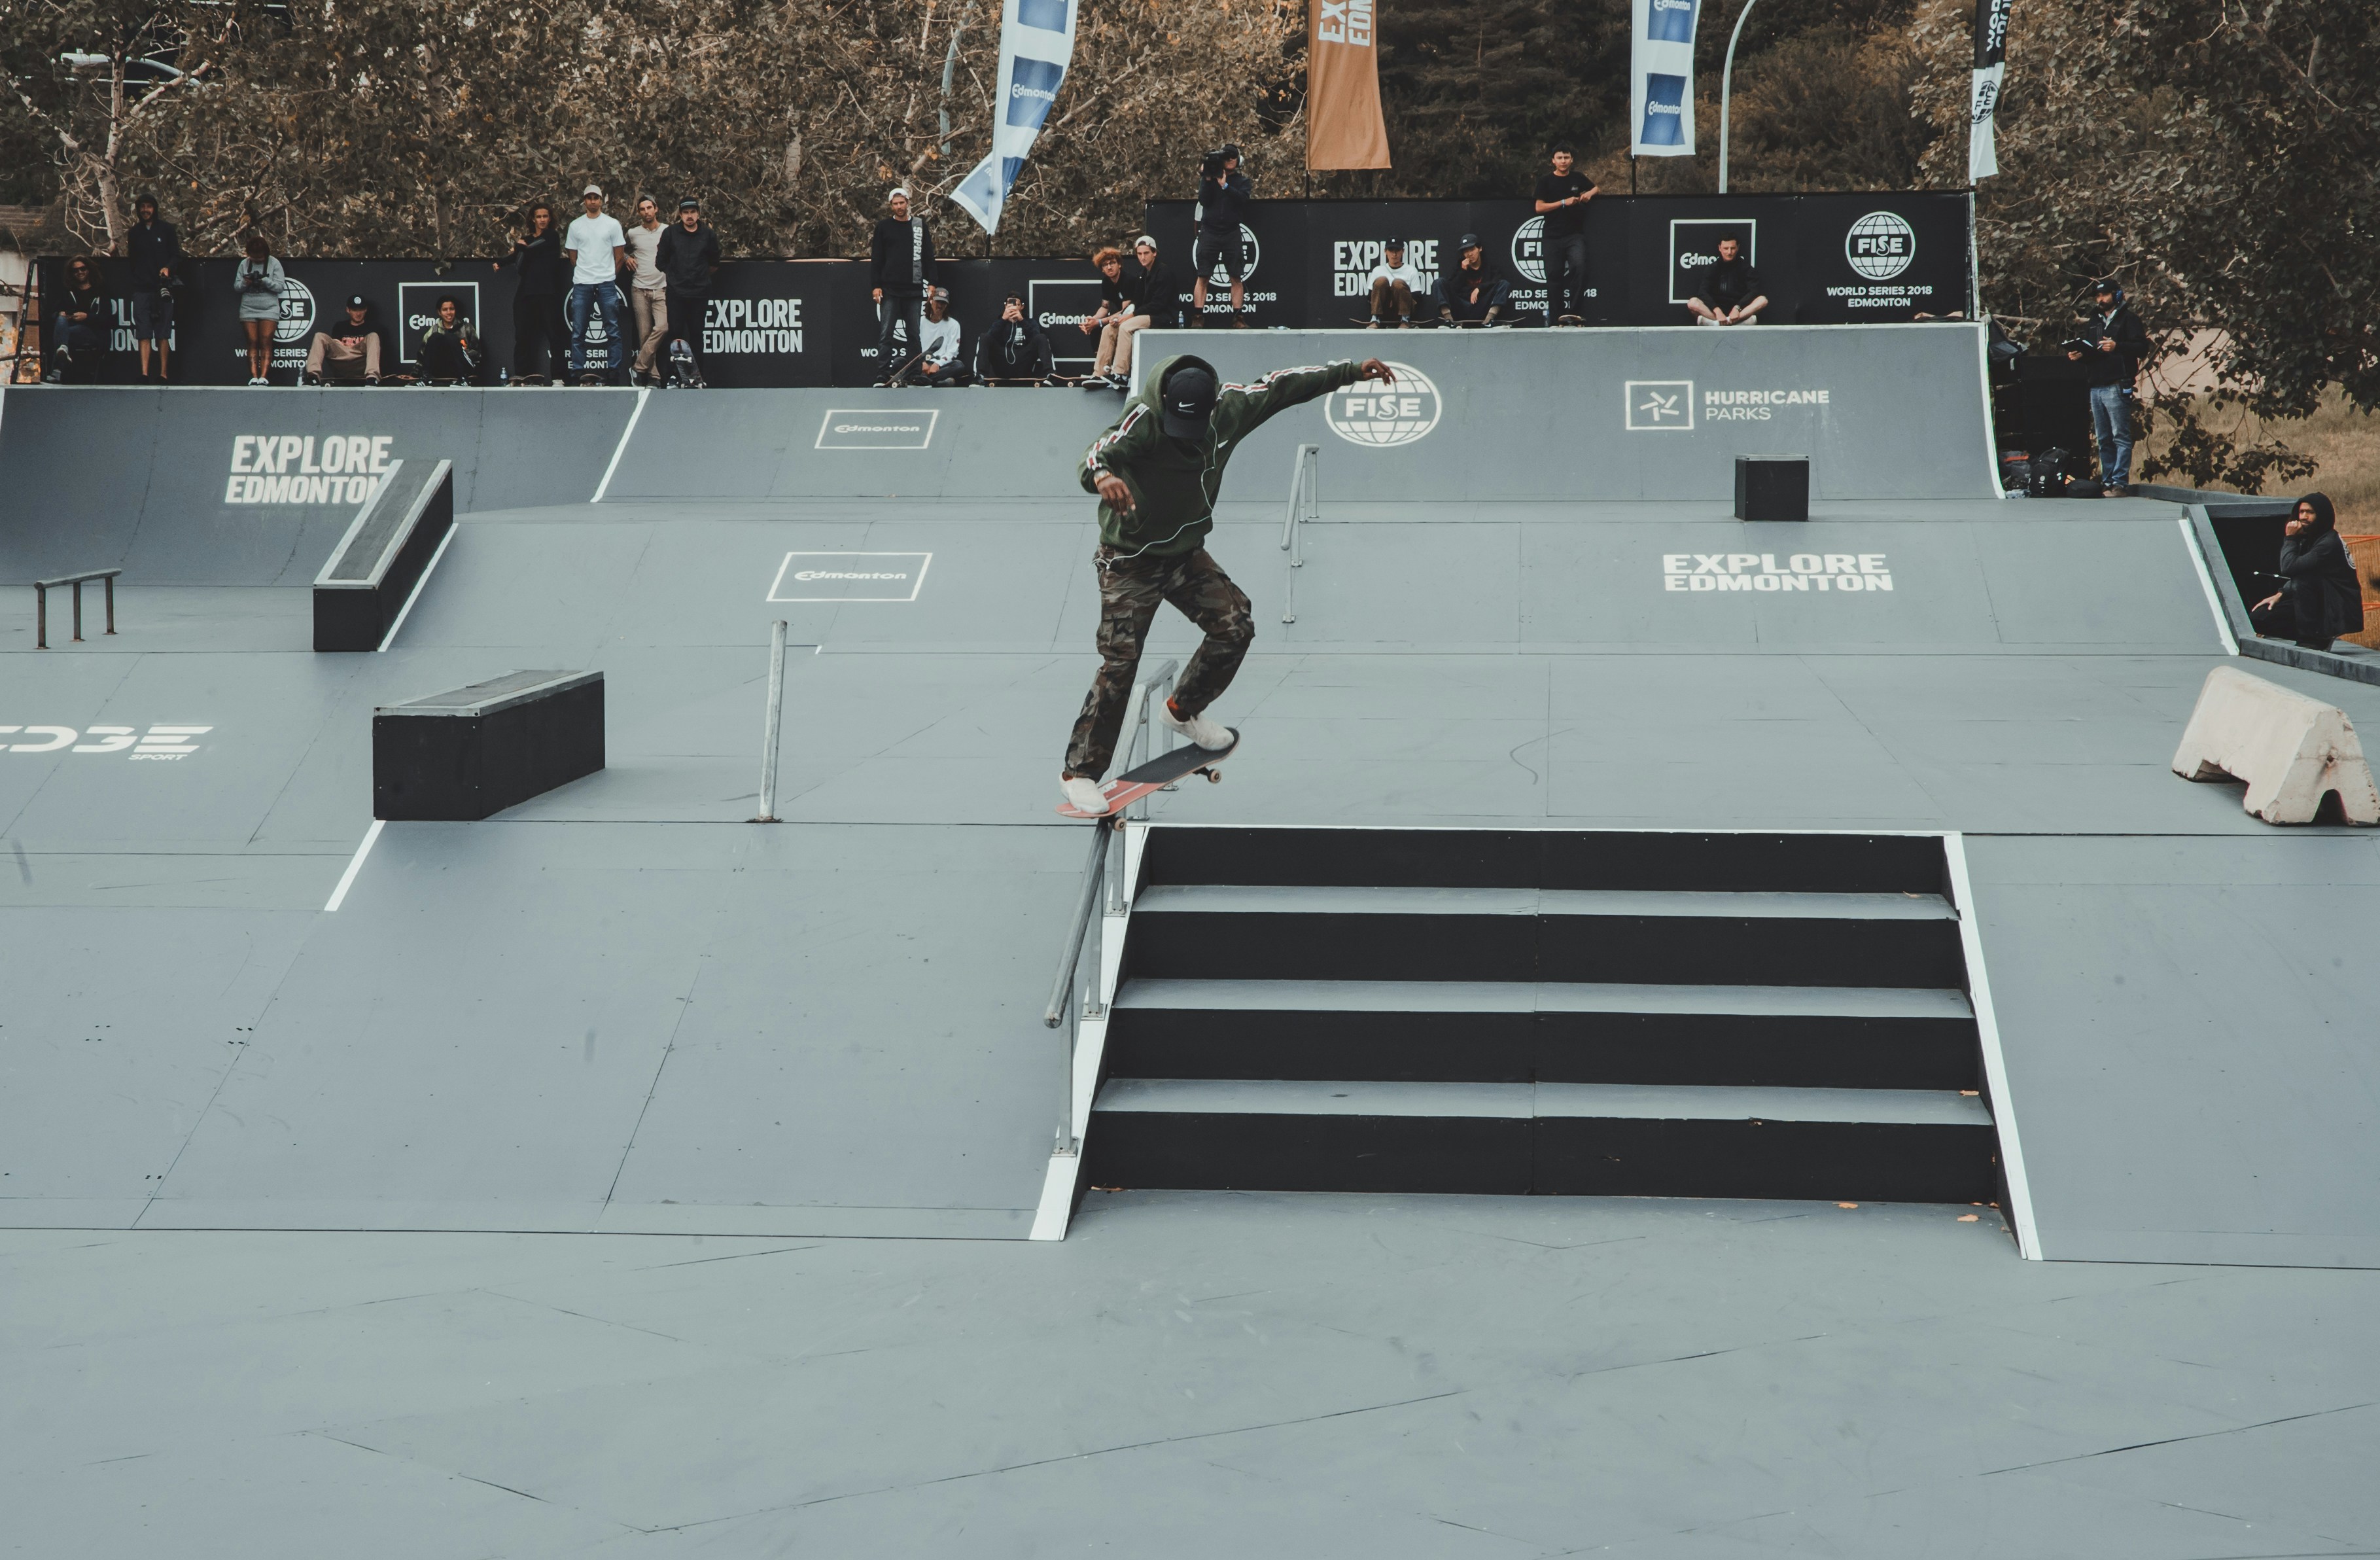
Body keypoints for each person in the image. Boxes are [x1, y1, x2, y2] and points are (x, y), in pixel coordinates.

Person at [1059, 353, 1396, 815]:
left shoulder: (1231, 407)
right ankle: (1079, 774)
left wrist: (1351, 371)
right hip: (1130, 562)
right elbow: (1096, 451)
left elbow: (1284, 385)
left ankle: (1182, 711)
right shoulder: (1142, 417)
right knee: (1120, 665)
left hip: (1184, 554)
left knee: (1235, 624)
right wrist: (1101, 475)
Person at [2066, 277, 2148, 496]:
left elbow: (2142, 347)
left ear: (2117, 295)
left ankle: (2119, 482)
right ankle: (2107, 481)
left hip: (2117, 383)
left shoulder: (2129, 319)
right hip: (2096, 384)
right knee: (2103, 438)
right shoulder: (2095, 320)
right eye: (2098, 297)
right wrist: (2080, 354)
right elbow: (2092, 350)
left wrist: (2118, 346)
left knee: (2120, 435)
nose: (2101, 300)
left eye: (2105, 295)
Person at [2250, 494, 2364, 652]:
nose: (2304, 517)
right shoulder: (2311, 539)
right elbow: (2303, 571)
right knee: (2259, 618)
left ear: (2322, 515)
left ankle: (2314, 639)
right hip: (2318, 600)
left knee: (2301, 582)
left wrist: (2290, 539)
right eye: (2301, 512)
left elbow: (2289, 568)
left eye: (2310, 512)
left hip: (2337, 607)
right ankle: (2314, 635)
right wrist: (2281, 594)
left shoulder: (2329, 543)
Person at [494, 202, 568, 383]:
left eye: (545, 216)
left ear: (550, 219)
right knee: (522, 335)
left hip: (547, 292)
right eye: (539, 217)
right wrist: (501, 262)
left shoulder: (551, 236)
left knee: (554, 335)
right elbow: (518, 258)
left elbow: (532, 248)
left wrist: (520, 247)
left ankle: (558, 377)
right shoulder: (526, 239)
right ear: (533, 219)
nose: (542, 220)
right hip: (526, 293)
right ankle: (521, 374)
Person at [562, 183, 627, 384]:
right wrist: (587, 274)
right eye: (589, 198)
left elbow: (620, 256)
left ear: (601, 201)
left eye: (596, 198)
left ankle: (614, 372)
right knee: (579, 331)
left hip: (606, 284)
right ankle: (579, 372)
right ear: (584, 201)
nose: (593, 201)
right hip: (582, 284)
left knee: (612, 331)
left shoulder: (612, 224)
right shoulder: (576, 226)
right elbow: (573, 257)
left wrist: (607, 276)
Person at [871, 186, 936, 385]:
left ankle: (915, 373)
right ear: (891, 205)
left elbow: (928, 256)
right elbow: (877, 259)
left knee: (914, 334)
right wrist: (876, 286)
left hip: (914, 289)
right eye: (895, 204)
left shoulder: (919, 226)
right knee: (886, 334)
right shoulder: (883, 227)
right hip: (890, 290)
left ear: (908, 202)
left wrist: (932, 282)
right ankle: (883, 374)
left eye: (902, 203)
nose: (899, 207)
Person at [656, 196, 721, 384]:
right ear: (680, 215)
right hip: (676, 294)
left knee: (697, 334)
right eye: (686, 213)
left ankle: (698, 377)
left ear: (698, 214)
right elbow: (660, 261)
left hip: (699, 294)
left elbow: (714, 263)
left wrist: (698, 277)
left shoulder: (708, 235)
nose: (689, 216)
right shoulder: (670, 233)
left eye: (693, 212)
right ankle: (673, 377)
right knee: (675, 334)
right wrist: (677, 276)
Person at [1533, 146, 1597, 325]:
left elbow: (1596, 188)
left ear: (1572, 160)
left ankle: (1574, 313)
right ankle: (1557, 318)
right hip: (1552, 236)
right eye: (1559, 157)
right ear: (1553, 160)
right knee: (1554, 276)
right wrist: (1563, 202)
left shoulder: (1578, 178)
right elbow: (1539, 207)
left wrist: (1589, 194)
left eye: (1566, 157)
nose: (1563, 161)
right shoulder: (1545, 181)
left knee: (1580, 267)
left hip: (1574, 235)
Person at [1190, 145, 1251, 327]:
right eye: (1227, 156)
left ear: (1239, 160)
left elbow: (1243, 199)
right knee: (1203, 276)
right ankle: (1198, 317)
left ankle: (1238, 318)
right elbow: (1204, 200)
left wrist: (1225, 186)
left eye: (1234, 156)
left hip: (1231, 232)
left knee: (1236, 276)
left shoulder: (1242, 181)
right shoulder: (1209, 178)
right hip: (1209, 231)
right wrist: (1208, 178)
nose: (1230, 159)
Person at [126, 194, 181, 381]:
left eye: (149, 207)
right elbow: (132, 260)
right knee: (143, 331)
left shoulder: (166, 229)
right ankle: (144, 373)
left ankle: (163, 373)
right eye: (142, 207)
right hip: (142, 288)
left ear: (155, 208)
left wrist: (168, 269)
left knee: (163, 332)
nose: (145, 210)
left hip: (162, 288)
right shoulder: (134, 233)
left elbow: (176, 255)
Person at [623, 194, 670, 385]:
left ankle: (638, 367)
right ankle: (654, 376)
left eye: (649, 208)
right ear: (639, 212)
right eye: (642, 209)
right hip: (639, 289)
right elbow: (619, 249)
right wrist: (626, 258)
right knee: (644, 333)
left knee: (663, 327)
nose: (646, 212)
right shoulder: (633, 233)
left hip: (662, 288)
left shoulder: (668, 231)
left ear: (656, 209)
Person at [41, 257, 111, 383]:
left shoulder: (100, 291)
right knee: (60, 319)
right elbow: (50, 314)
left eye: (82, 269)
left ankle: (57, 368)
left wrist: (87, 317)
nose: (80, 272)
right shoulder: (68, 292)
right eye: (75, 270)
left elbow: (108, 319)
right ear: (71, 274)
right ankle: (63, 350)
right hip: (69, 329)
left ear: (89, 270)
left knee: (63, 332)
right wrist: (60, 314)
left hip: (92, 332)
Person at [234, 234, 285, 385]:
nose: (256, 261)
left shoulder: (274, 263)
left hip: (269, 307)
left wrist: (265, 281)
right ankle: (254, 377)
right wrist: (246, 282)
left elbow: (280, 287)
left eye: (260, 258)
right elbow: (237, 287)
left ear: (266, 254)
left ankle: (264, 377)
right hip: (249, 307)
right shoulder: (244, 264)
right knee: (252, 341)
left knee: (266, 341)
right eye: (253, 258)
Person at [1081, 246, 1134, 387]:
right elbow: (1105, 307)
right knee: (1096, 328)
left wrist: (1099, 322)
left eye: (1112, 263)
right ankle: (1099, 374)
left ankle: (1114, 374)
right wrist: (1092, 320)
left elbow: (1125, 310)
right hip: (1121, 317)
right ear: (1102, 269)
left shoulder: (1128, 280)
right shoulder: (1106, 282)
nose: (1109, 267)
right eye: (1105, 265)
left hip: (1133, 316)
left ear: (1119, 264)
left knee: (1104, 328)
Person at [1687, 235, 1766, 326]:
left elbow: (1754, 291)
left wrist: (1737, 308)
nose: (1729, 252)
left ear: (1738, 248)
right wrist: (1716, 310)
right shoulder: (1712, 268)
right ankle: (1730, 323)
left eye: (1732, 248)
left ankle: (1718, 324)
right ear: (1720, 248)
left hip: (1738, 312)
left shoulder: (1746, 268)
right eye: (1726, 248)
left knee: (1762, 300)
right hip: (1716, 313)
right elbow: (1702, 292)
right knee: (1693, 302)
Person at [304, 294, 383, 385]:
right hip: (342, 359)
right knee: (319, 336)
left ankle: (372, 379)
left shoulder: (373, 328)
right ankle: (313, 378)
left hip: (360, 360)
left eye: (361, 310)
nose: (358, 313)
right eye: (354, 310)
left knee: (373, 336)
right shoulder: (340, 326)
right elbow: (337, 348)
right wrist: (343, 346)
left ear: (366, 310)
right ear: (348, 310)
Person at [975, 294, 1054, 385]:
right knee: (984, 337)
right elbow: (988, 340)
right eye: (1010, 304)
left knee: (1042, 337)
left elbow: (1037, 339)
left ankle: (1050, 375)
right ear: (1005, 306)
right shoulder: (999, 322)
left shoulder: (1030, 322)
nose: (1013, 307)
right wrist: (1003, 319)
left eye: (1017, 305)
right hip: (1003, 363)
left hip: (1023, 363)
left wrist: (1021, 320)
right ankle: (980, 376)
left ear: (1022, 307)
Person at [1434, 234, 1511, 326]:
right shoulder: (1459, 268)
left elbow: (1496, 281)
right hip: (1461, 307)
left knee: (1504, 284)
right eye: (1466, 251)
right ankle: (1449, 321)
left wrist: (1479, 288)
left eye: (1472, 250)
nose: (1470, 254)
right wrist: (1463, 271)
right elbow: (1453, 288)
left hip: (1482, 307)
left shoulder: (1489, 267)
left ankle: (1488, 321)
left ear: (1480, 249)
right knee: (1439, 282)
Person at [911, 287, 970, 386]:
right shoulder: (919, 321)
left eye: (943, 303)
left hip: (940, 367)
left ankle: (923, 381)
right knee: (898, 362)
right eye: (938, 301)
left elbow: (952, 351)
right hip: (920, 365)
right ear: (931, 301)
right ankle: (936, 383)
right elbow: (913, 346)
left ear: (946, 305)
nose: (940, 305)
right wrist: (921, 362)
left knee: (959, 365)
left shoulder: (954, 324)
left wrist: (938, 364)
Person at [417, 295, 481, 383]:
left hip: (463, 369)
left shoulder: (467, 328)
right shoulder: (434, 330)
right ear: (439, 312)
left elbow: (478, 354)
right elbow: (422, 355)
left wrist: (464, 351)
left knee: (450, 337)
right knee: (436, 337)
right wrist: (414, 374)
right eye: (445, 310)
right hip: (441, 369)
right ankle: (426, 379)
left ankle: (463, 380)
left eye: (452, 309)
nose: (449, 312)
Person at [1365, 238, 1426, 328]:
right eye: (1391, 250)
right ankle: (1375, 318)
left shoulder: (1411, 270)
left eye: (1397, 250)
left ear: (1403, 251)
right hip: (1384, 309)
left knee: (1398, 283)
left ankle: (1405, 319)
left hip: (1405, 308)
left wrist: (1398, 297)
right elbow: (1370, 296)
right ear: (1385, 251)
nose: (1394, 254)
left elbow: (1417, 297)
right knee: (1381, 281)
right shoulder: (1378, 270)